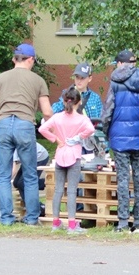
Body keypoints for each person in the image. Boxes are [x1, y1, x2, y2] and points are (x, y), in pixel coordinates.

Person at [0, 43, 53, 226]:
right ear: (30, 59)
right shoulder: (38, 80)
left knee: (3, 175)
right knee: (30, 175)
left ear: (14, 59)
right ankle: (31, 218)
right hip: (25, 124)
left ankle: (6, 219)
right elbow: (47, 112)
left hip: (3, 123)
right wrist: (56, 131)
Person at [101, 49, 139, 233]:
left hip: (119, 138)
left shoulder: (115, 81)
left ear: (120, 64)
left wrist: (107, 132)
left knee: (123, 179)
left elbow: (107, 111)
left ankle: (123, 222)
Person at [39, 86, 96, 234]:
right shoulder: (82, 119)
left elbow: (42, 129)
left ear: (64, 102)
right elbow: (91, 129)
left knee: (58, 190)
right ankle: (71, 224)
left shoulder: (57, 117)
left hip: (60, 154)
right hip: (74, 155)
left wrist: (56, 139)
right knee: (71, 191)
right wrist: (78, 137)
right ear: (79, 102)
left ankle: (55, 222)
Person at [0, 142, 50, 208]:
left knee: (23, 183)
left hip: (38, 156)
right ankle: (35, 203)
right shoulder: (1, 153)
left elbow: (13, 170)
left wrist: (0, 185)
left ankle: (38, 206)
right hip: (27, 159)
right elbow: (2, 173)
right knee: (16, 183)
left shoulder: (8, 150)